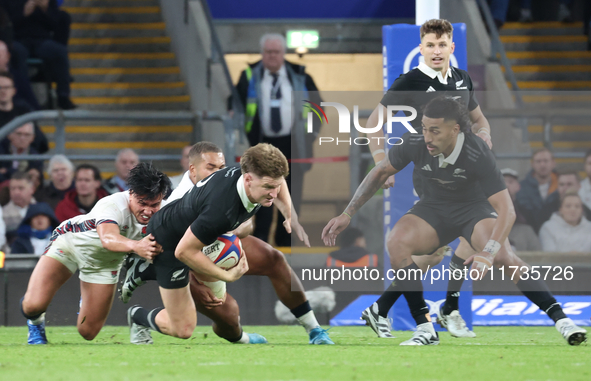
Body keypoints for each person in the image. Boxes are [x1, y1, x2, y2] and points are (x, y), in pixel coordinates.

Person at [322, 96, 587, 346]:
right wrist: (347, 213)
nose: (427, 136)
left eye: (435, 130)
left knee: (505, 257)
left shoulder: (477, 151)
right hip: (432, 208)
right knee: (397, 242)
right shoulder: (414, 141)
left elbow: (507, 210)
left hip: (473, 210)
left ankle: (562, 321)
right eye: (425, 128)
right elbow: (380, 172)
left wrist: (488, 252)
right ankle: (425, 327)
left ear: (456, 130)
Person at [121, 141, 332, 345]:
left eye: (275, 186)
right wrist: (225, 275)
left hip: (208, 237)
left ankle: (314, 328)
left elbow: (278, 181)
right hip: (171, 247)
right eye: (268, 187)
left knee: (273, 258)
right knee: (190, 327)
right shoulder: (220, 210)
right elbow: (184, 251)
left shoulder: (255, 178)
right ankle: (140, 310)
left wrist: (289, 213)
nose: (273, 194)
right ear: (247, 179)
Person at [362, 19, 491, 339]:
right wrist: (381, 163)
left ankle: (383, 309)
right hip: (433, 176)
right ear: (420, 48)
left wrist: (485, 133)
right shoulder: (410, 81)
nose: (436, 50)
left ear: (452, 47)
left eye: (441, 44)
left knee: (435, 253)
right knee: (466, 238)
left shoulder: (462, 79)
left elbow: (479, 119)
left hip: (465, 173)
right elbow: (372, 122)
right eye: (430, 45)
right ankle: (446, 311)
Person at [20, 162, 171, 344]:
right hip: (69, 245)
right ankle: (35, 322)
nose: (148, 211)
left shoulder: (167, 210)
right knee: (33, 305)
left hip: (105, 263)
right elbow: (107, 239)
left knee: (88, 332)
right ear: (131, 194)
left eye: (154, 204)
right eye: (142, 203)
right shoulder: (113, 204)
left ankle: (86, 298)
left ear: (162, 198)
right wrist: (138, 246)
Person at [234, 33, 322, 246]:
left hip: (293, 146)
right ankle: (262, 243)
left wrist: (310, 137)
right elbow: (236, 106)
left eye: (276, 52)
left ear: (284, 54)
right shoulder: (248, 76)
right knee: (261, 197)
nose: (272, 56)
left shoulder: (300, 76)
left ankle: (286, 244)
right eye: (268, 52)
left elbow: (318, 107)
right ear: (262, 53)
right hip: (261, 147)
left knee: (291, 197)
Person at [1, 0, 76, 109]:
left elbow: (55, 24)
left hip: (41, 40)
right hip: (18, 39)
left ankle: (63, 95)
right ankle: (23, 96)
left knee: (59, 51)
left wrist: (45, 10)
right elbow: (5, 24)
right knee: (19, 53)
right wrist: (23, 14)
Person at [0, 71, 47, 153]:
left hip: (24, 157)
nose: (3, 91)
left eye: (6, 87)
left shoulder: (24, 111)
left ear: (14, 91)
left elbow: (40, 141)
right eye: (0, 88)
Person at [516, 148, 558, 233]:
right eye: (538, 161)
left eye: (546, 161)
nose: (542, 165)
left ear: (553, 163)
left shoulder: (562, 185)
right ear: (532, 164)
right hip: (531, 231)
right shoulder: (521, 187)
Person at [501, 168, 541, 251]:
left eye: (510, 182)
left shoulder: (527, 213)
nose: (506, 185)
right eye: (502, 181)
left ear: (518, 187)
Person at [3, 171, 36, 235]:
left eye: (21, 188)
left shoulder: (42, 212)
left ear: (32, 189)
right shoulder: (2, 215)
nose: (16, 192)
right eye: (13, 188)